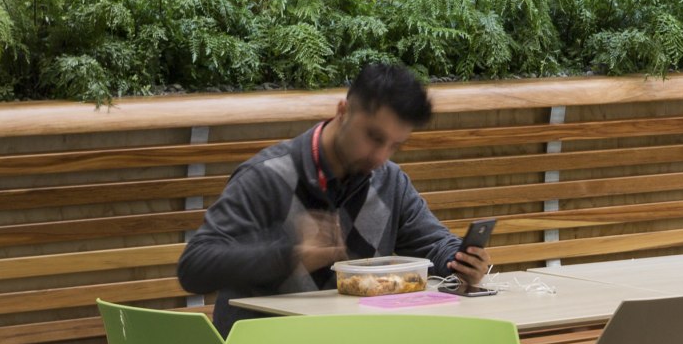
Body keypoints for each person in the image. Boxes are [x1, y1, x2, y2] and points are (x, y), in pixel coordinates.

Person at [178, 60, 486, 329]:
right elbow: (194, 268)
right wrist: (289, 254)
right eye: (373, 137)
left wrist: (460, 262)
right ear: (343, 111)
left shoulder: (389, 181)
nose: (380, 156)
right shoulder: (267, 177)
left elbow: (434, 243)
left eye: (394, 145)